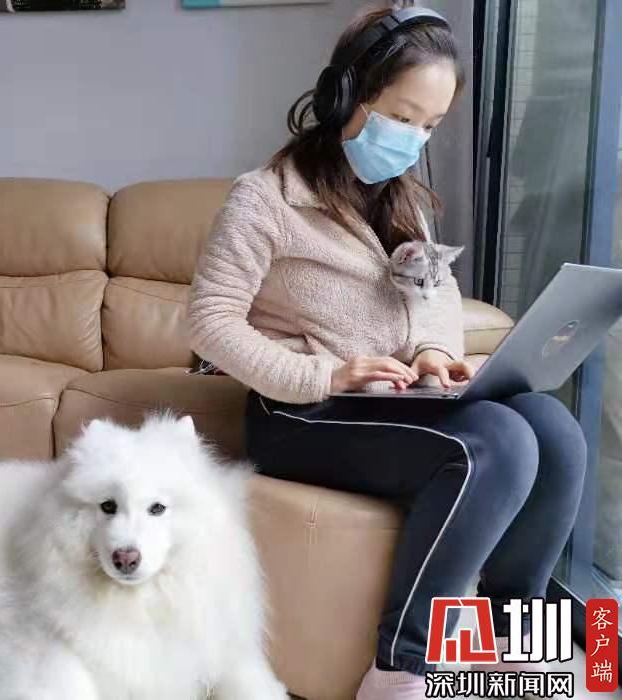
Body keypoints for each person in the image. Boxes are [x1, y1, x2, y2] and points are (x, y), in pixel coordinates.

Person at [186, 2, 588, 698]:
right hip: (301, 413)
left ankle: (508, 635)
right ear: (347, 94)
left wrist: (434, 351)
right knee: (494, 443)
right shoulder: (263, 200)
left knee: (553, 429)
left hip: (395, 401)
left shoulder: (404, 199)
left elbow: (437, 294)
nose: (414, 138)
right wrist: (327, 372)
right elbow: (208, 322)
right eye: (403, 116)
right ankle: (402, 666)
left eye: (430, 125)